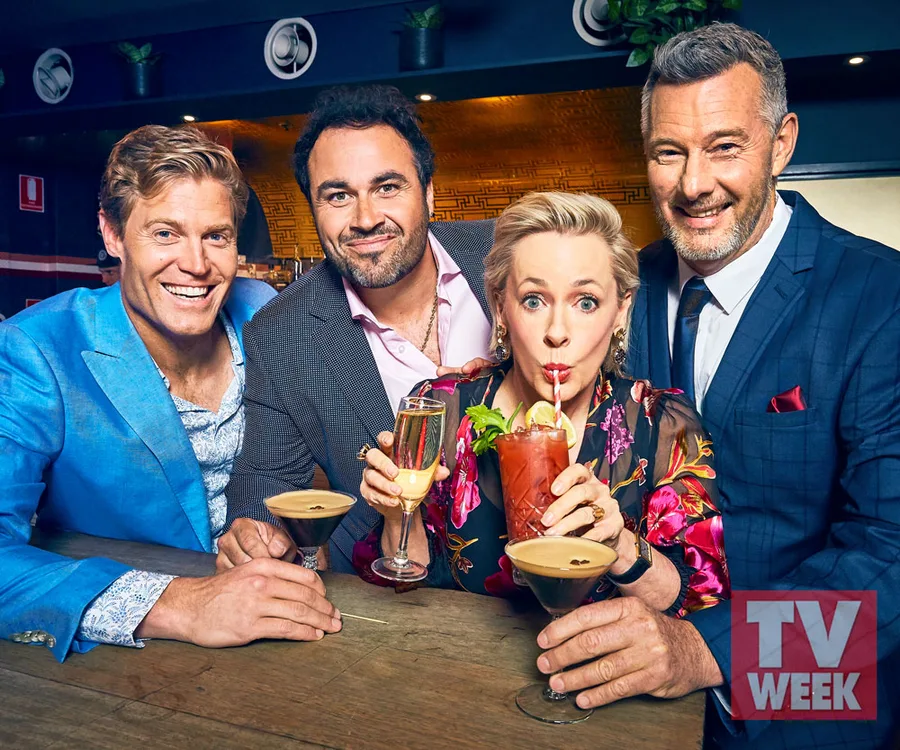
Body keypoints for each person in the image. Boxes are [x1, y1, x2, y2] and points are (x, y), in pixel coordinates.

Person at [536, 23, 900, 749]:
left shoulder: (878, 297)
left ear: (783, 142)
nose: (694, 183)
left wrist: (706, 650)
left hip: (806, 711)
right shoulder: (619, 290)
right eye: (670, 152)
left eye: (724, 147)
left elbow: (889, 550)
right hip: (628, 699)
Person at [0, 125, 341, 662]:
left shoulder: (263, 311)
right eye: (165, 233)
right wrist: (179, 605)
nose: (197, 264)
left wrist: (274, 533)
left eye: (216, 236)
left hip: (300, 618)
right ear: (112, 235)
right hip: (133, 664)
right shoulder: (38, 348)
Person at [357, 191, 729, 620]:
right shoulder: (440, 408)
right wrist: (395, 514)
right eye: (534, 300)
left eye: (585, 302)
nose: (557, 332)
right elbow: (407, 590)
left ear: (620, 312)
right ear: (501, 307)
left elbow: (705, 605)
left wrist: (621, 547)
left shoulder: (662, 425)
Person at [220, 85, 495, 573]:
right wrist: (253, 532)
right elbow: (264, 481)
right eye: (339, 195)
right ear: (312, 208)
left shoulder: (510, 256)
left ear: (429, 192)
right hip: (389, 597)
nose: (366, 218)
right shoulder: (281, 334)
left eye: (387, 187)